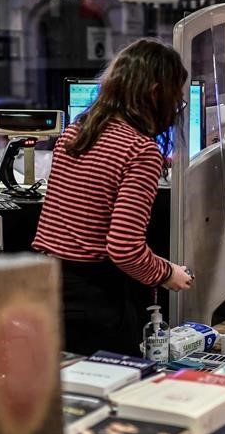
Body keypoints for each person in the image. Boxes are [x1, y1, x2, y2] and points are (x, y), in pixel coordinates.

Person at [34, 39, 194, 355]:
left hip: (49, 288)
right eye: (176, 94)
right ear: (155, 92)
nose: (177, 105)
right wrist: (167, 274)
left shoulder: (77, 133)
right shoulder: (140, 151)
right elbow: (124, 249)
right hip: (98, 303)